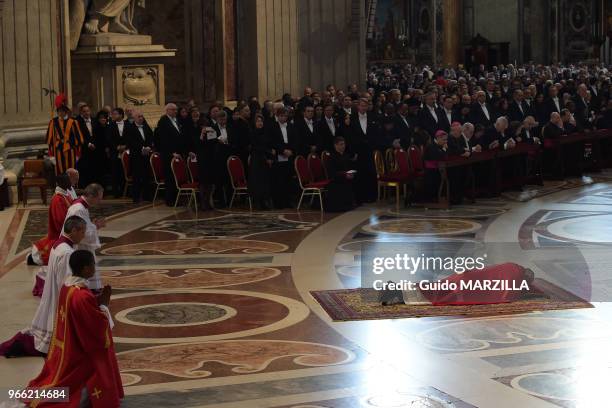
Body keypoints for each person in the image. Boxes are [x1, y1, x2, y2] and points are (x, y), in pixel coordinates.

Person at [25, 250, 123, 407]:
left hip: (70, 343)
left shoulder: (68, 286)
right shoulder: (82, 296)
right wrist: (104, 304)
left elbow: (80, 314)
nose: (94, 268)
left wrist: (96, 302)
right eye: (93, 265)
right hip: (80, 350)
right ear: (85, 269)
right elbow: (96, 328)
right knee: (98, 362)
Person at [0, 216, 86, 357]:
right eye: (82, 232)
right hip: (59, 295)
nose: (84, 236)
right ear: (74, 230)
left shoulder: (60, 244)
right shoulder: (66, 252)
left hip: (52, 291)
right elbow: (67, 281)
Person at [27, 174, 75, 295]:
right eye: (67, 180)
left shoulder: (66, 194)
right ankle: (31, 258)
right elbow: (60, 221)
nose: (70, 182)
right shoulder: (57, 199)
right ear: (60, 183)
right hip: (59, 236)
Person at [65, 183, 106, 291]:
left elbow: (84, 227)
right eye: (98, 199)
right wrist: (96, 226)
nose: (99, 202)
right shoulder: (78, 209)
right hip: (79, 247)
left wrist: (92, 225)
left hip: (81, 246)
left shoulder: (82, 207)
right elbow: (80, 233)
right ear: (91, 196)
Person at [155, 103, 194, 206]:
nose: (175, 112)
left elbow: (181, 138)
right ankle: (169, 199)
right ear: (167, 110)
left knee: (176, 177)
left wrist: (186, 151)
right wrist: (172, 153)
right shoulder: (163, 122)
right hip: (169, 154)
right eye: (173, 110)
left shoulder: (177, 121)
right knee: (170, 177)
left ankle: (177, 197)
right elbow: (163, 140)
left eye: (176, 110)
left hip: (178, 153)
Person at [346, 98, 379, 204]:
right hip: (358, 151)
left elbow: (375, 133)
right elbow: (350, 136)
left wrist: (374, 147)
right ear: (358, 106)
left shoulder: (373, 117)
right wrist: (353, 152)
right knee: (360, 174)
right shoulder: (352, 118)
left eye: (366, 105)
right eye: (362, 105)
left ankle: (372, 196)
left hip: (370, 150)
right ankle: (360, 197)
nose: (364, 107)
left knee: (371, 173)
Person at [46, 95, 84, 175]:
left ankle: (72, 187)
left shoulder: (73, 122)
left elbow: (78, 139)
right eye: (59, 111)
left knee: (71, 172)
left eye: (63, 111)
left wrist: (78, 154)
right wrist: (51, 155)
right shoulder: (53, 122)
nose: (61, 112)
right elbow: (50, 140)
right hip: (58, 151)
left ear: (66, 112)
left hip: (71, 150)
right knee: (60, 172)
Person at [268, 107, 298, 208]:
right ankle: (279, 202)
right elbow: (273, 141)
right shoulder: (273, 127)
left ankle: (287, 201)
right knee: (278, 179)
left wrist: (290, 150)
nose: (283, 118)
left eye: (285, 116)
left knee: (288, 179)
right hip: (278, 155)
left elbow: (294, 140)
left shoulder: (291, 126)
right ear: (277, 116)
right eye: (281, 116)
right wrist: (282, 151)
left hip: (289, 155)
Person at [125, 110, 154, 203]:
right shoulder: (129, 128)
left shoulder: (146, 126)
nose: (141, 118)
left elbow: (150, 137)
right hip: (136, 156)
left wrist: (149, 147)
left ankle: (147, 196)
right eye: (139, 117)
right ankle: (136, 197)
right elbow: (130, 141)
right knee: (136, 177)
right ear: (134, 118)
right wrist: (142, 148)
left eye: (142, 116)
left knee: (147, 176)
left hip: (146, 155)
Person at [248, 114, 274, 210]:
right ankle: (258, 201)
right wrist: (267, 156)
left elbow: (269, 146)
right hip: (257, 159)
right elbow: (256, 147)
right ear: (254, 123)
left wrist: (270, 158)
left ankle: (264, 201)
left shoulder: (266, 133)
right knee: (257, 181)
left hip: (266, 159)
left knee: (265, 181)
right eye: (258, 121)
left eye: (261, 121)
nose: (260, 123)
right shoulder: (252, 133)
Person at [325, 137, 356, 212]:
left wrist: (351, 173)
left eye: (344, 144)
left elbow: (349, 168)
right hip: (336, 181)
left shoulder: (346, 155)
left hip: (346, 178)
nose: (343, 146)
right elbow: (331, 173)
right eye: (341, 144)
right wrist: (345, 175)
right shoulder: (331, 157)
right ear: (336, 145)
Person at [106, 108, 128, 197]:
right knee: (115, 172)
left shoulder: (128, 125)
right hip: (115, 152)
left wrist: (125, 146)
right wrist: (116, 147)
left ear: (121, 115)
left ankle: (125, 191)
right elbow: (109, 139)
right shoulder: (110, 125)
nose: (113, 116)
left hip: (126, 151)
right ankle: (116, 192)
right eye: (112, 114)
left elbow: (131, 137)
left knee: (125, 171)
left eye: (115, 114)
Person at [423, 130, 449, 201]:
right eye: (444, 140)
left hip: (438, 169)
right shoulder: (431, 147)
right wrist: (444, 149)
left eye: (446, 139)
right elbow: (439, 158)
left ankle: (445, 196)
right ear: (438, 138)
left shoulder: (440, 145)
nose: (445, 141)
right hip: (431, 171)